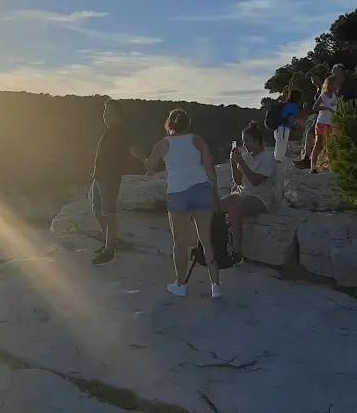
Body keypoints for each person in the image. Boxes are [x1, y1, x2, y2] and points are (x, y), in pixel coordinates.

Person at [144, 108, 221, 299]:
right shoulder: (198, 140)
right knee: (206, 241)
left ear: (169, 124)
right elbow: (210, 169)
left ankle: (180, 285)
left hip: (178, 192)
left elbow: (149, 166)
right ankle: (216, 286)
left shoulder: (163, 144)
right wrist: (215, 194)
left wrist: (141, 158)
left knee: (180, 242)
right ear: (188, 124)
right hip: (202, 189)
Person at [89, 99, 146, 266]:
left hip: (110, 179)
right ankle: (111, 242)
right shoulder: (109, 132)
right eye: (104, 112)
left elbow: (132, 148)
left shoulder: (121, 132)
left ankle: (109, 250)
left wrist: (146, 160)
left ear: (119, 115)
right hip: (99, 178)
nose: (105, 116)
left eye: (109, 113)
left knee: (109, 215)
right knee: (97, 211)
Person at [220, 122, 277, 255]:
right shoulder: (246, 156)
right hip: (243, 192)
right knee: (218, 206)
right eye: (243, 140)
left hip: (260, 196)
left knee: (234, 210)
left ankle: (236, 253)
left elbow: (256, 181)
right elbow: (238, 181)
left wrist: (241, 163)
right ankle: (220, 243)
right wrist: (233, 164)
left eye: (247, 140)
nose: (244, 144)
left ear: (257, 140)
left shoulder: (267, 158)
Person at [309, 75, 341, 174]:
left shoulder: (335, 96)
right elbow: (315, 107)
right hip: (322, 122)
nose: (337, 85)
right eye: (335, 84)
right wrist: (326, 108)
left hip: (331, 123)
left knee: (331, 145)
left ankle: (331, 167)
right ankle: (313, 167)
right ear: (330, 84)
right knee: (319, 144)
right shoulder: (323, 95)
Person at [293, 75, 322, 169]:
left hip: (323, 116)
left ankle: (308, 160)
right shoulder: (318, 89)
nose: (313, 81)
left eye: (315, 79)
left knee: (311, 134)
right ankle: (306, 159)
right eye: (312, 80)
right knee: (309, 134)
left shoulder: (324, 88)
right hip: (319, 115)